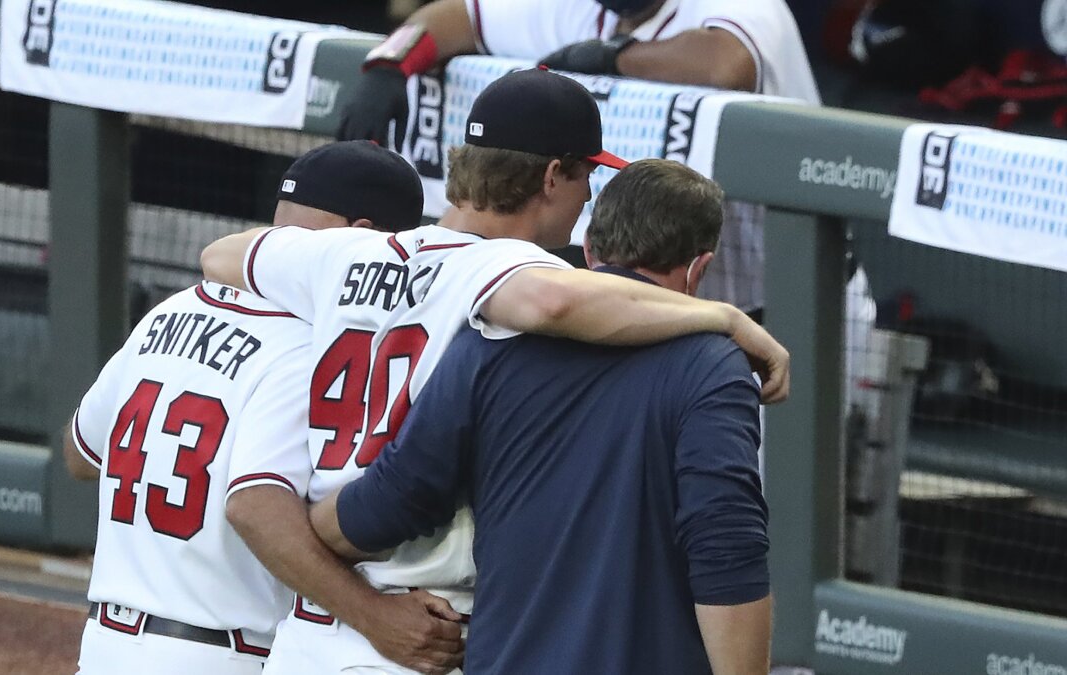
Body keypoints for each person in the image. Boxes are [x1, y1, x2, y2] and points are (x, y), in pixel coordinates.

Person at [201, 68, 785, 674]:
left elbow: (218, 254)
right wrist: (726, 319)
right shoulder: (510, 270)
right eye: (585, 174)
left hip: (319, 607)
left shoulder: (356, 249)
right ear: (553, 175)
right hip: (421, 618)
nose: (588, 197)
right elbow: (556, 302)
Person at [310, 158, 772, 675]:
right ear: (698, 269)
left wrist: (298, 526)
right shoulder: (712, 367)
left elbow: (392, 500)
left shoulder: (492, 338)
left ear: (591, 250)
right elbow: (726, 550)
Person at [64, 141, 463, 675]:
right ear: (364, 234)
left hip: (105, 645)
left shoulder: (171, 309)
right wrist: (374, 617)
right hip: (218, 653)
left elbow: (80, 455)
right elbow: (255, 507)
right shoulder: (310, 342)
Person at [338, 0, 820, 315]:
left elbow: (724, 63)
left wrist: (616, 58)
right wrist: (388, 63)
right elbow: (453, 15)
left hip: (790, 302)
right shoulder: (574, 7)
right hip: (667, 308)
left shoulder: (746, 7)